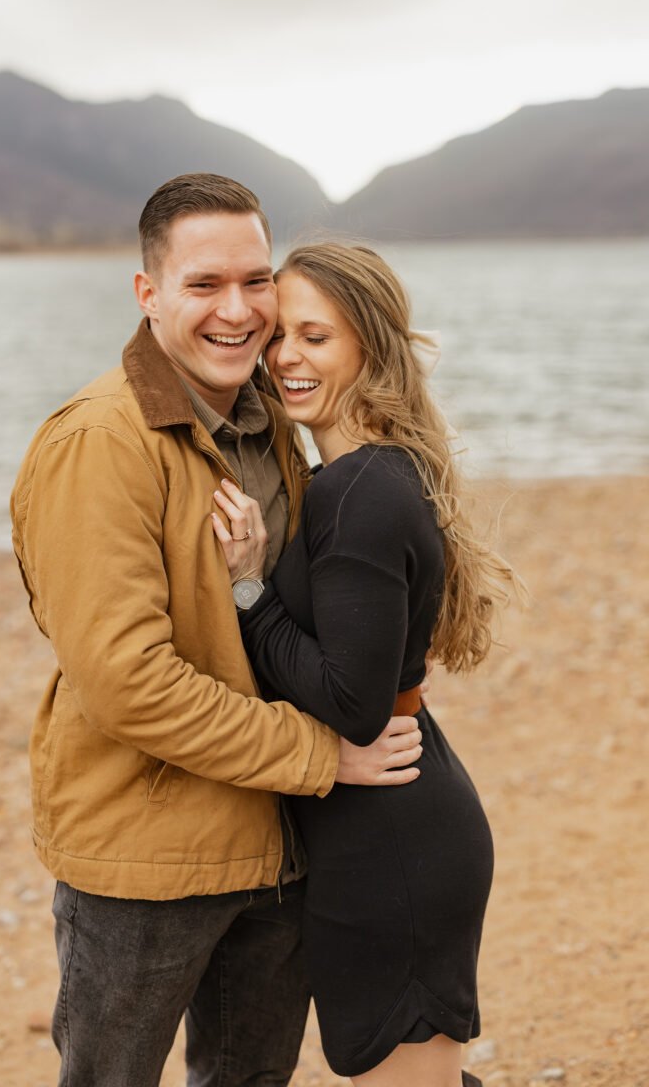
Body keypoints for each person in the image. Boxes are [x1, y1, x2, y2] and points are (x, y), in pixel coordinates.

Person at [10, 175, 425, 1087]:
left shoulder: (270, 418)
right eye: (204, 285)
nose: (236, 311)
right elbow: (129, 683)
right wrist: (324, 756)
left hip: (274, 845)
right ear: (148, 292)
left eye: (254, 280)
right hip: (145, 860)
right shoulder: (100, 445)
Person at [211, 242, 521, 1087]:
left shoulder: (356, 491)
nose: (285, 358)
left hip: (393, 843)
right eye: (282, 336)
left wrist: (249, 591)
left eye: (316, 337)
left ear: (370, 349)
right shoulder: (370, 473)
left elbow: (352, 704)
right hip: (394, 822)